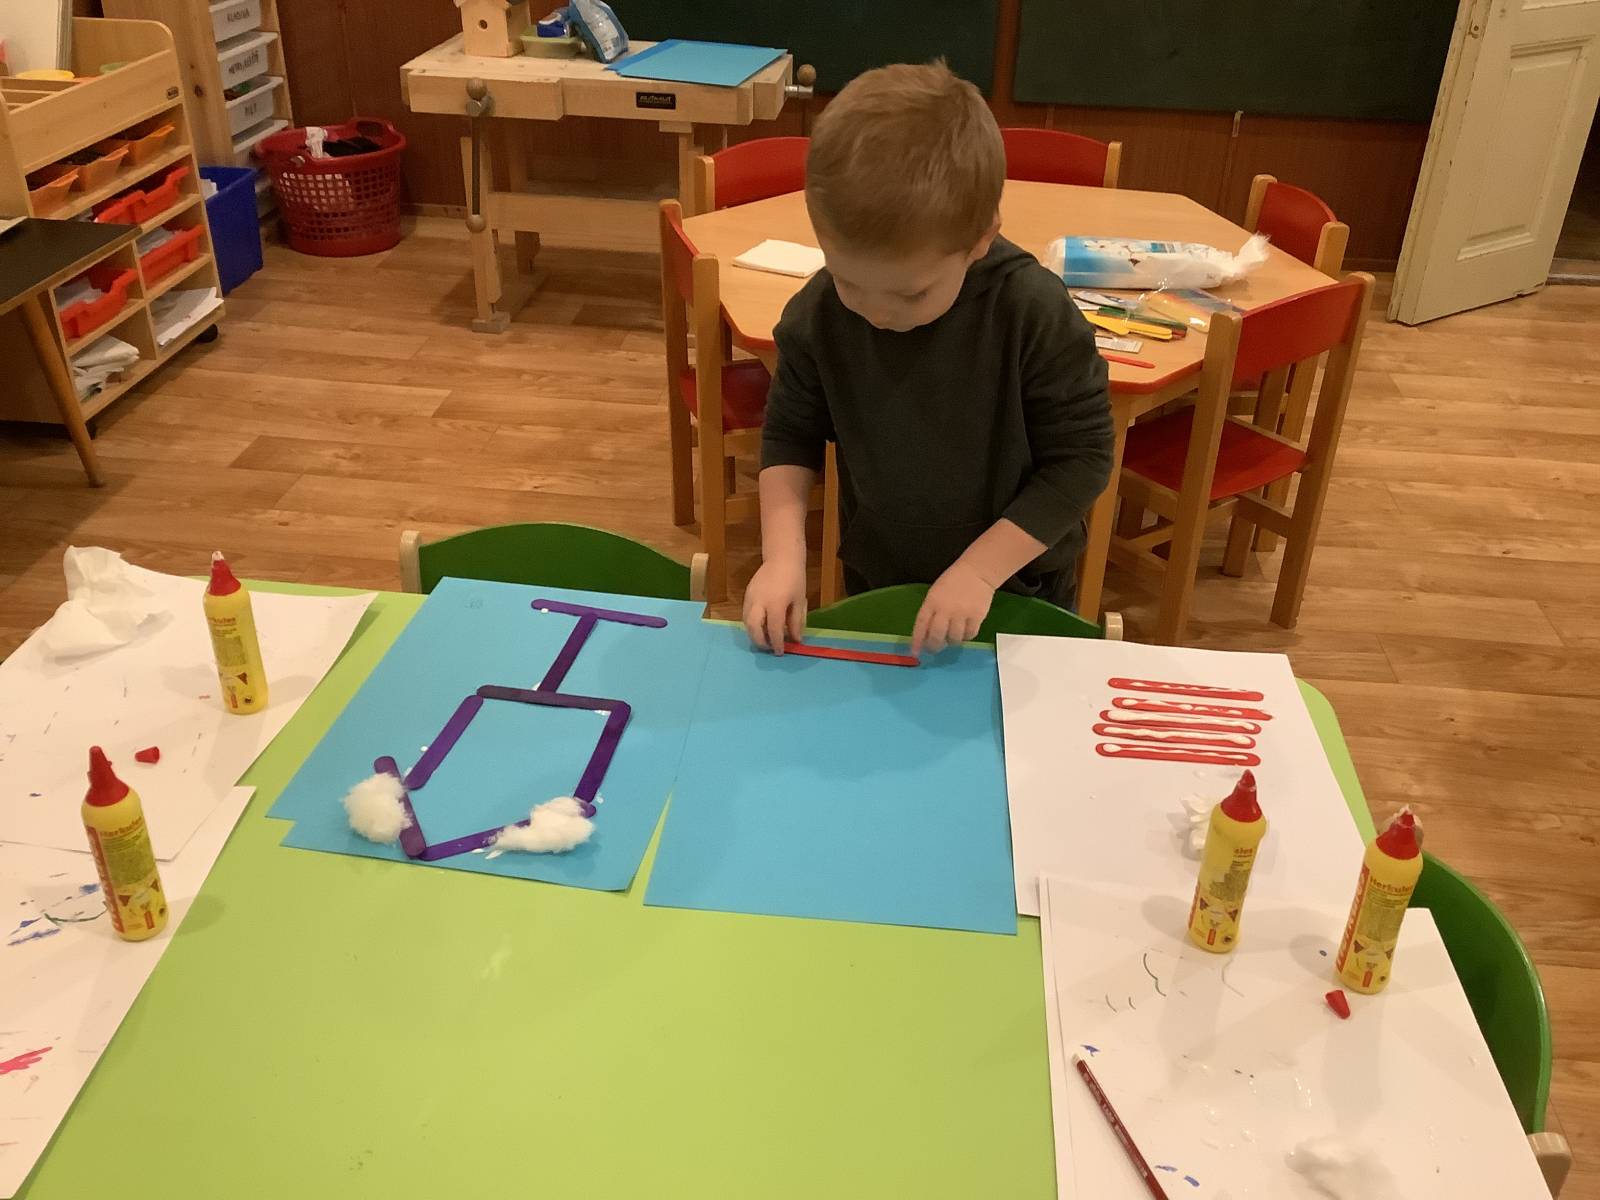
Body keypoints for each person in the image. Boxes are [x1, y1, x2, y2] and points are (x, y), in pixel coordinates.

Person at [742, 61, 1115, 656]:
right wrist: (782, 558)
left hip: (1018, 588)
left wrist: (979, 573)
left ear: (981, 238)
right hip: (882, 579)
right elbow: (790, 436)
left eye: (911, 293)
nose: (875, 312)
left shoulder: (1031, 312)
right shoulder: (818, 314)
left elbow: (1082, 459)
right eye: (847, 280)